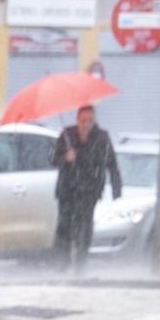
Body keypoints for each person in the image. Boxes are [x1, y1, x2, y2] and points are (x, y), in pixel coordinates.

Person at [51, 105, 121, 272]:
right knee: (64, 227)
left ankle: (80, 266)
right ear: (77, 120)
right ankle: (62, 264)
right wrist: (65, 157)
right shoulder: (67, 135)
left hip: (89, 191)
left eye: (90, 120)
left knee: (84, 228)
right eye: (83, 121)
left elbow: (112, 164)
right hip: (67, 191)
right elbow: (52, 158)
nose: (86, 124)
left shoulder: (102, 138)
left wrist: (117, 190)